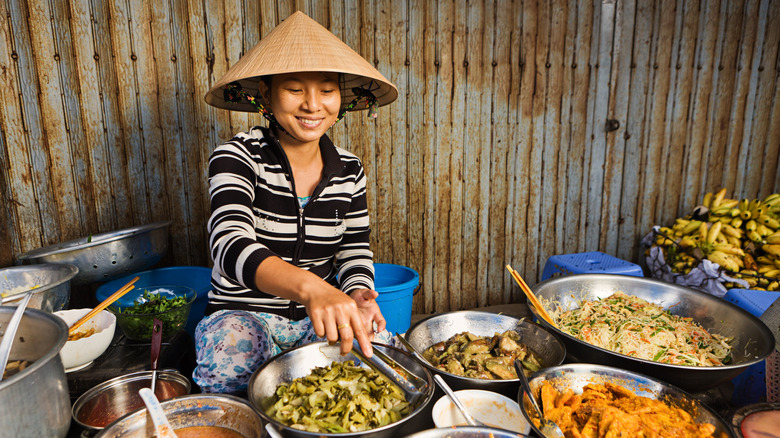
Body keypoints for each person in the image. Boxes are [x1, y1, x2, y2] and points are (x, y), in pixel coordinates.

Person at [195, 11, 399, 394]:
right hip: (243, 315)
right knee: (235, 363)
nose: (312, 105)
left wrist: (356, 294)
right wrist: (312, 289)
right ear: (267, 95)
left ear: (341, 96)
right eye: (294, 89)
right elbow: (228, 244)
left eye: (326, 89)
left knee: (379, 359)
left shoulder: (350, 169)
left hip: (315, 319)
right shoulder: (237, 156)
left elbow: (354, 249)